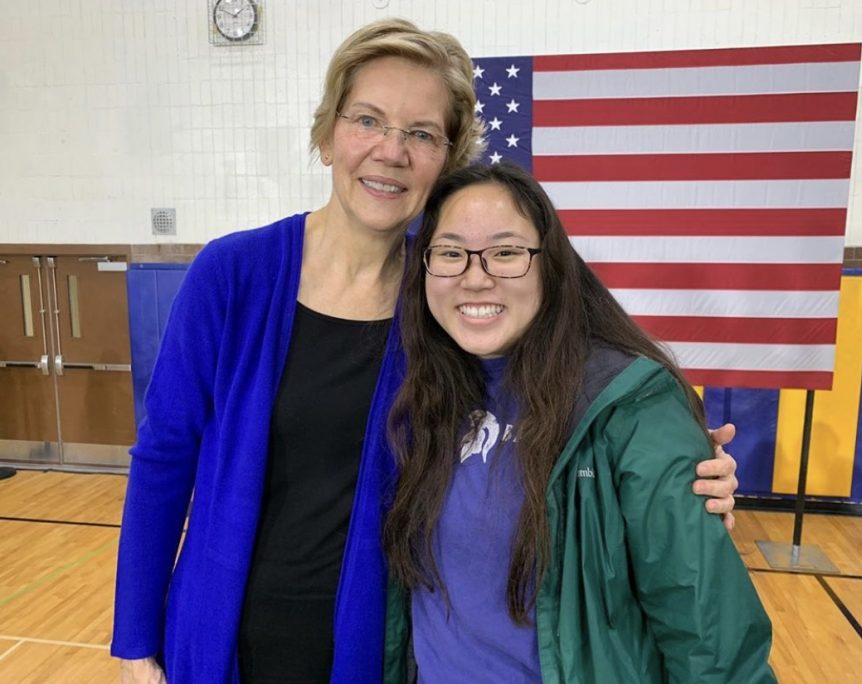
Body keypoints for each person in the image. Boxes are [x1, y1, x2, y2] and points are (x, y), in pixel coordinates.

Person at [111, 19, 740, 684]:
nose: (390, 150)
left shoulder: (455, 297)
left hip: (374, 649)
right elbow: (163, 460)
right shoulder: (232, 274)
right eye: (367, 121)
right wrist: (133, 641)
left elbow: (571, 401)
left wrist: (678, 479)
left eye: (421, 133)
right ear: (327, 136)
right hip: (219, 637)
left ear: (446, 159)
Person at [383, 163, 776, 683]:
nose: (475, 277)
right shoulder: (416, 394)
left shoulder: (632, 408)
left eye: (505, 252)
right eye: (451, 253)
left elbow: (710, 637)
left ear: (551, 265)